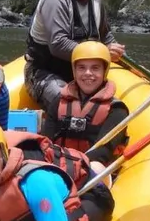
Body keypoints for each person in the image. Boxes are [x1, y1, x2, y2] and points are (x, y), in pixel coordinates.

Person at [24, 0, 126, 127]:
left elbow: (105, 35)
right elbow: (58, 44)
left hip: (82, 74)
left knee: (111, 106)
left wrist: (118, 52)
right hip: (43, 73)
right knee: (67, 103)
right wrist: (101, 52)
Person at [40, 40, 129, 168]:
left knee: (96, 167)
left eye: (95, 68)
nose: (88, 73)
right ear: (74, 71)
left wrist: (72, 167)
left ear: (105, 71)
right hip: (59, 166)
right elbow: (46, 142)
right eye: (81, 67)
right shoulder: (58, 102)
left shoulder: (117, 110)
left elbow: (103, 153)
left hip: (93, 172)